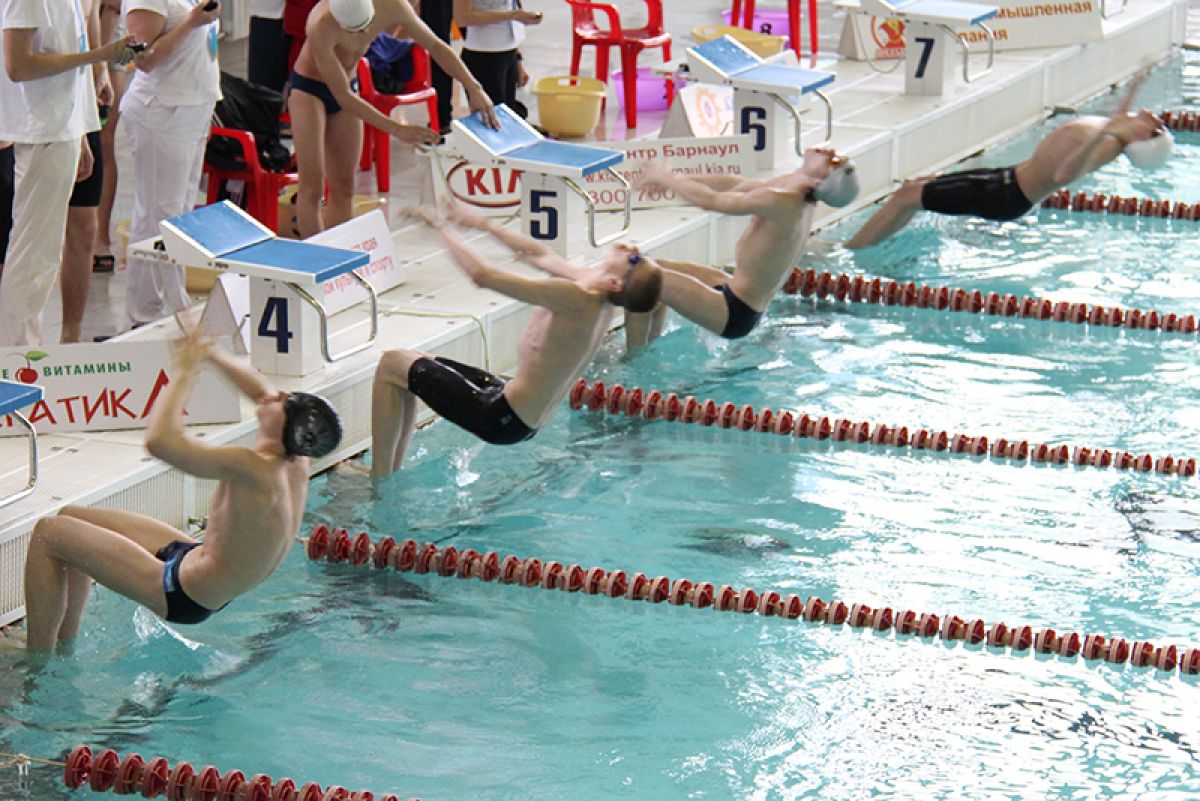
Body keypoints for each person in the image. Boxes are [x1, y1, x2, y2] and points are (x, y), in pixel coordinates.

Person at [23, 332, 343, 654]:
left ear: (286, 427)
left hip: (181, 592)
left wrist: (185, 373)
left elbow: (160, 442)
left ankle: (37, 660)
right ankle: (64, 642)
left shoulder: (254, 469)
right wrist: (209, 351)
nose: (279, 394)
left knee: (47, 533)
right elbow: (263, 394)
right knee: (71, 518)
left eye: (286, 402)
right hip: (199, 563)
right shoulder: (295, 459)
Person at [365, 202, 662, 483]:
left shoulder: (577, 300)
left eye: (635, 259)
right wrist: (482, 224)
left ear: (615, 283)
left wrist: (439, 226)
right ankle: (388, 473)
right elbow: (536, 253)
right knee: (410, 364)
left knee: (392, 362)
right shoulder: (597, 296)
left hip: (500, 415)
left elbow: (483, 275)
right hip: (513, 410)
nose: (633, 249)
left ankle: (378, 480)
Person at [845, 72, 1170, 249]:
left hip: (1006, 193)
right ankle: (868, 244)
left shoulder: (1109, 144)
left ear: (1142, 140)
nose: (1155, 118)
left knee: (907, 196)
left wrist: (1106, 130)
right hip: (1007, 181)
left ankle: (849, 252)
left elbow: (1063, 175)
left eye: (1156, 128)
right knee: (916, 191)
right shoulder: (1113, 132)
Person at [288, 0, 497, 237]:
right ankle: (319, 255)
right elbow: (343, 97)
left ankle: (339, 253)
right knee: (312, 187)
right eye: (355, 30)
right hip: (309, 90)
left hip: (349, 84)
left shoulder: (392, 5)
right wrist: (398, 129)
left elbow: (436, 46)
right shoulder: (320, 25)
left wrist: (474, 87)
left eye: (367, 25)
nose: (365, 34)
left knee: (344, 186)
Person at [625, 146, 859, 346]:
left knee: (637, 276)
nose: (829, 152)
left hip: (734, 310)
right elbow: (736, 184)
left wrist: (666, 178)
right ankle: (647, 348)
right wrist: (674, 180)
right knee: (652, 268)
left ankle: (632, 367)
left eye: (833, 161)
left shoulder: (784, 202)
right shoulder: (791, 187)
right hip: (733, 291)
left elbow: (711, 201)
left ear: (818, 181)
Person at [0, 0, 133, 345]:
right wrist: (98, 56)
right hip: (41, 131)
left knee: (42, 258)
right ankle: (16, 357)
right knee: (32, 257)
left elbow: (73, 46)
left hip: (61, 128)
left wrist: (81, 129)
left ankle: (21, 354)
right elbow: (18, 65)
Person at [121, 0, 222, 328]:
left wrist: (207, 105)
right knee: (159, 215)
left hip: (194, 105)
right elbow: (144, 59)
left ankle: (163, 305)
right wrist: (190, 23)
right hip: (161, 109)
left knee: (178, 213)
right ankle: (151, 311)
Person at [452, 0, 541, 113]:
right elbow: (462, 18)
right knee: (491, 117)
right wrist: (513, 15)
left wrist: (517, 59)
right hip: (483, 55)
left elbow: (511, 7)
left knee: (508, 115)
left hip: (508, 52)